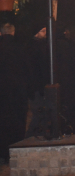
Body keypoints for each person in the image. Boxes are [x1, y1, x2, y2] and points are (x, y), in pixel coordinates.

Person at [0, 20, 30, 161]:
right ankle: (15, 150)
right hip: (18, 90)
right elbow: (27, 69)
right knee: (17, 121)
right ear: (13, 32)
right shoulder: (20, 48)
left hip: (2, 91)